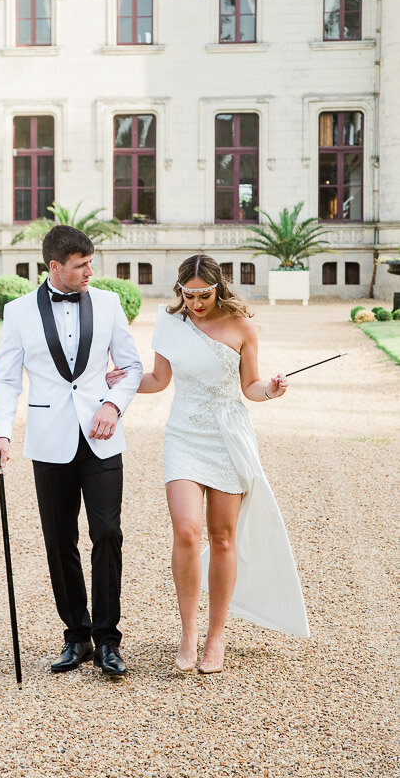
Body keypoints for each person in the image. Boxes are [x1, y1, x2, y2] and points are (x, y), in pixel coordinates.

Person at [107, 253, 309, 674]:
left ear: (219, 288)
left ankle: (216, 637)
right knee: (185, 531)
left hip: (227, 435)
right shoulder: (169, 322)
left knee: (221, 537)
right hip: (183, 433)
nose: (195, 302)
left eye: (204, 294)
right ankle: (188, 633)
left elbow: (250, 388)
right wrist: (120, 380)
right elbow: (159, 380)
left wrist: (271, 390)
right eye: (188, 293)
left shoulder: (242, 327)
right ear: (179, 289)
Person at [0, 225, 142, 678]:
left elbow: (131, 366)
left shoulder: (109, 304)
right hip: (48, 439)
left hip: (101, 437)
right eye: (81, 265)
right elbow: (7, 380)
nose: (91, 271)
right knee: (59, 541)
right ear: (54, 267)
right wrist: (1, 434)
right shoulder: (17, 313)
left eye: (91, 262)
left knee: (107, 533)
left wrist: (114, 405)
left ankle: (108, 639)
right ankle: (76, 636)